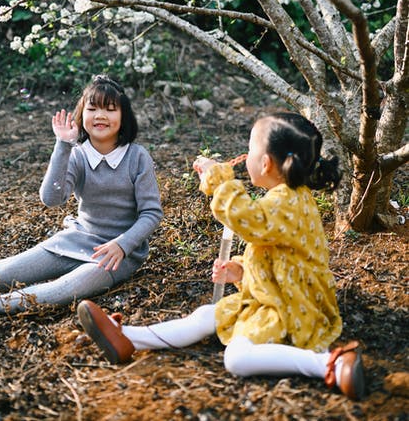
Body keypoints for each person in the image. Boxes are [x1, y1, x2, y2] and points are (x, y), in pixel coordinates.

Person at [76, 112, 366, 401]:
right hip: (274, 297)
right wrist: (239, 272)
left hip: (292, 310)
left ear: (265, 163)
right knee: (206, 315)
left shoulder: (286, 202)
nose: (245, 155)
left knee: (237, 359)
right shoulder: (288, 197)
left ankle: (330, 363)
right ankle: (126, 337)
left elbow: (245, 216)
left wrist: (219, 181)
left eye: (250, 149)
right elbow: (279, 256)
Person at [0, 75, 163, 313]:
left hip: (118, 254)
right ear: (81, 114)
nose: (100, 116)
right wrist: (63, 146)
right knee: (7, 268)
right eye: (93, 108)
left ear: (123, 116)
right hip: (76, 239)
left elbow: (151, 213)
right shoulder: (77, 154)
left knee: (68, 288)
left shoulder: (137, 157)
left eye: (110, 109)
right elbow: (51, 199)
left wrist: (123, 244)